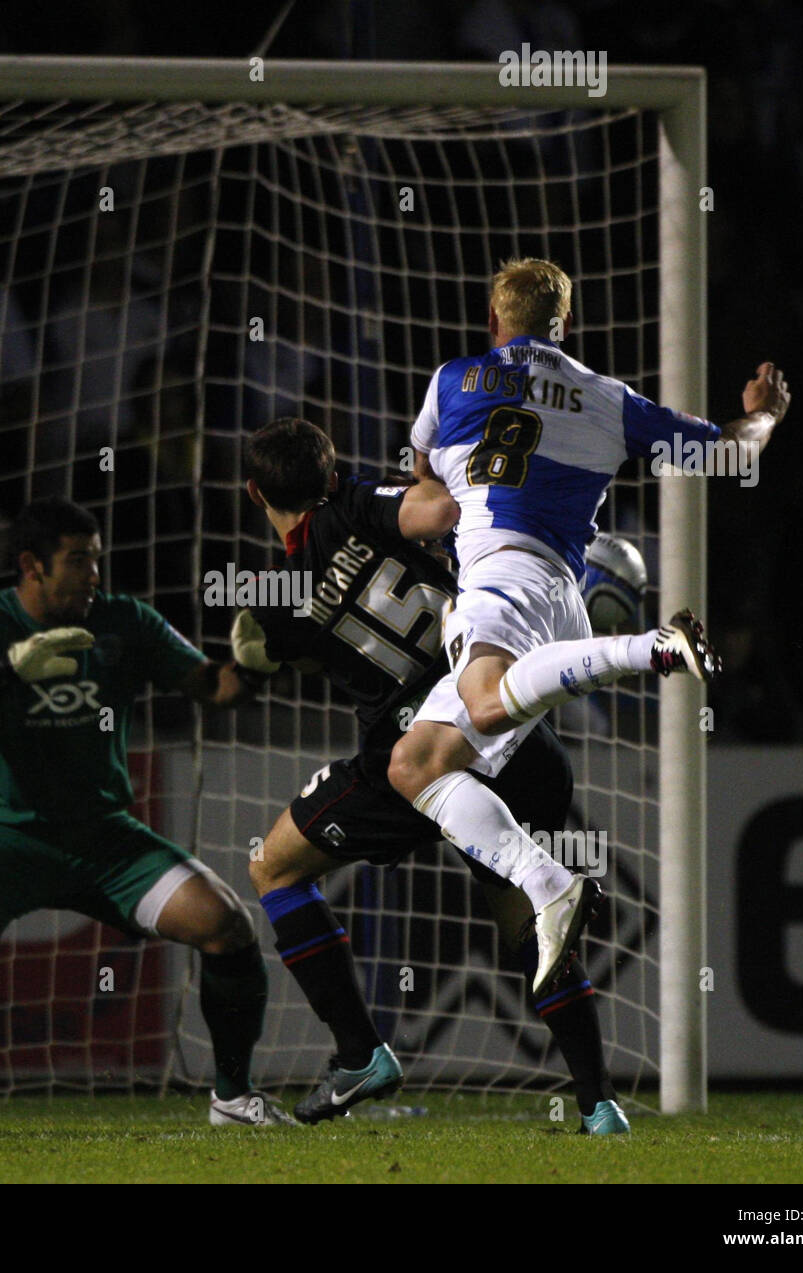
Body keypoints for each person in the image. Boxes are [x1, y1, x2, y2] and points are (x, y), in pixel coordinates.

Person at [387, 258, 790, 997]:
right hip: (558, 592)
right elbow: (732, 454)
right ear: (564, 324)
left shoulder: (451, 380)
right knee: (417, 762)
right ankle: (548, 884)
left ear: (491, 322)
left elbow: (423, 484)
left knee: (474, 708)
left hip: (502, 578)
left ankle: (651, 647)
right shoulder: (609, 399)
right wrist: (764, 410)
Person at [0, 495, 293, 1126]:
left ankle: (234, 1100)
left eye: (96, 560)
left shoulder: (123, 621)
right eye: (78, 561)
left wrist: (252, 668)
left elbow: (213, 687)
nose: (94, 575)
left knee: (227, 925)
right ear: (32, 566)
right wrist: (4, 669)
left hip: (101, 836)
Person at [233, 418, 626, 1132]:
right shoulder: (359, 503)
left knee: (275, 868)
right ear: (329, 475)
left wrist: (253, 646)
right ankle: (600, 1104)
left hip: (414, 755)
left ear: (254, 490)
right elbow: (438, 510)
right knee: (534, 926)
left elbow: (270, 660)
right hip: (506, 728)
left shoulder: (276, 589)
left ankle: (360, 1053)